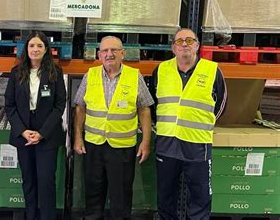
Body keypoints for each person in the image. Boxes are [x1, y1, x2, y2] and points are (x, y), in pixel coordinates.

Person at [149, 28, 227, 219]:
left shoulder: (212, 71)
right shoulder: (160, 70)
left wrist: (203, 123)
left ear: (198, 46)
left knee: (200, 198)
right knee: (165, 197)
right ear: (173, 47)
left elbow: (222, 104)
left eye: (190, 41)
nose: (184, 44)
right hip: (166, 145)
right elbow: (152, 104)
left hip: (198, 146)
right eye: (180, 41)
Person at [73, 36, 153, 219]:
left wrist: (146, 142)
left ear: (122, 53)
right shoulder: (90, 75)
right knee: (93, 194)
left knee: (121, 197)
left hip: (122, 147)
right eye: (105, 51)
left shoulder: (134, 76)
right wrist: (78, 137)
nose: (110, 54)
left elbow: (144, 110)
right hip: (93, 145)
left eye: (114, 50)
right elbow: (79, 108)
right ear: (99, 54)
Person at [4, 31, 67, 220]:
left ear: (46, 49)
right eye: (32, 45)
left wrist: (41, 133)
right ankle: (30, 216)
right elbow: (9, 105)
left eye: (40, 45)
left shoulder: (55, 72)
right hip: (24, 133)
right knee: (28, 180)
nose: (35, 49)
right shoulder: (17, 72)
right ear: (26, 49)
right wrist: (23, 131)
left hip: (47, 135)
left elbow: (59, 105)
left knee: (46, 181)